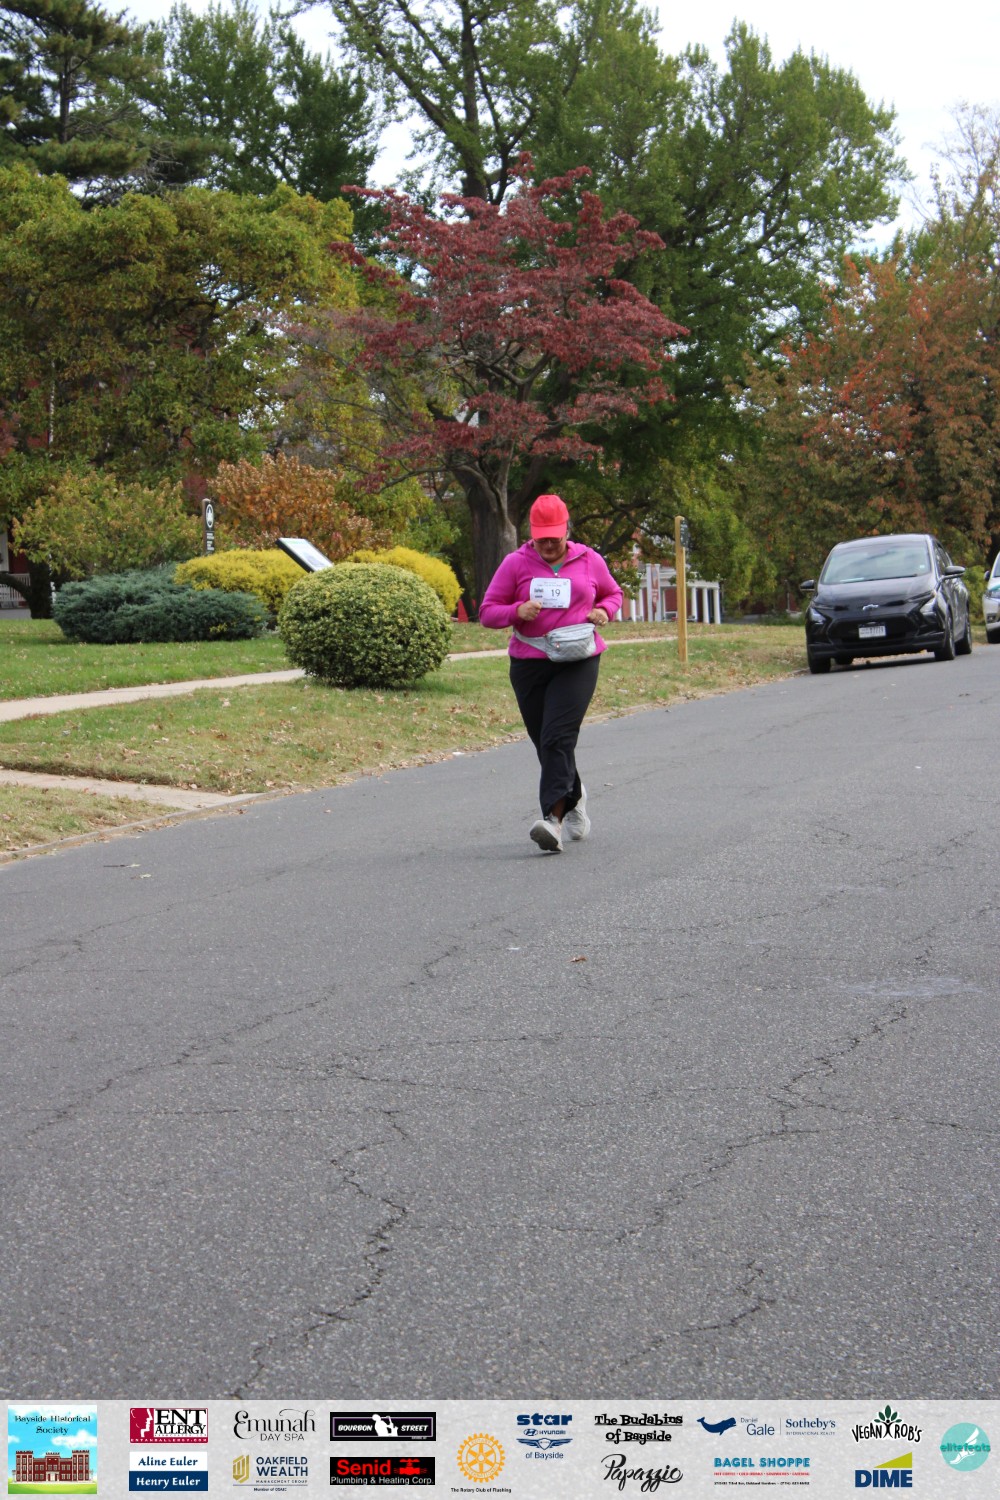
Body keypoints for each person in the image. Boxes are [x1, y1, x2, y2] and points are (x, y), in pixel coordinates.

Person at [479, 494, 623, 852]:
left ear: (566, 531)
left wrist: (604, 611)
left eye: (554, 538)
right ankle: (574, 793)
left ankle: (552, 821)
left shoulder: (589, 559)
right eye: (541, 538)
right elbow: (487, 612)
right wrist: (516, 611)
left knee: (556, 736)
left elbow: (613, 594)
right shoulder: (516, 563)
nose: (547, 545)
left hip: (578, 660)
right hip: (530, 662)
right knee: (544, 740)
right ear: (532, 533)